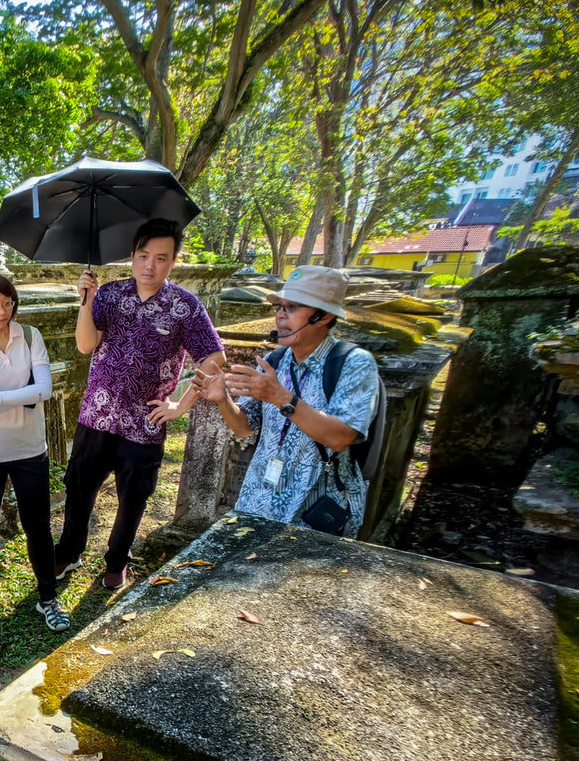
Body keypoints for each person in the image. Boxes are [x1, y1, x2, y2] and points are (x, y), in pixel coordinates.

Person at [56, 219, 227, 589]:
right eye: (143, 256)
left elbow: (214, 361)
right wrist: (85, 302)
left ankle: (117, 560)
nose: (150, 266)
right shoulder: (110, 295)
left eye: (161, 258)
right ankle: (68, 552)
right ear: (132, 256)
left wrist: (181, 405)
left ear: (173, 261)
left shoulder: (185, 306)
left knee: (132, 498)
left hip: (144, 422)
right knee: (79, 488)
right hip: (96, 414)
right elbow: (86, 345)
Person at [193, 265, 379, 537]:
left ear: (323, 316)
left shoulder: (354, 365)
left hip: (313, 511)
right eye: (279, 307)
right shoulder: (275, 361)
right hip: (260, 500)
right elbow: (245, 428)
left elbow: (341, 437)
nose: (280, 315)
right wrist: (223, 401)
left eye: (291, 308)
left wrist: (281, 397)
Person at [0, 275, 68, 632]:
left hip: (29, 447)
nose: (1, 312)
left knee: (38, 524)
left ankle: (48, 596)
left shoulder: (30, 336)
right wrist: (21, 393)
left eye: (7, 303)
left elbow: (45, 390)